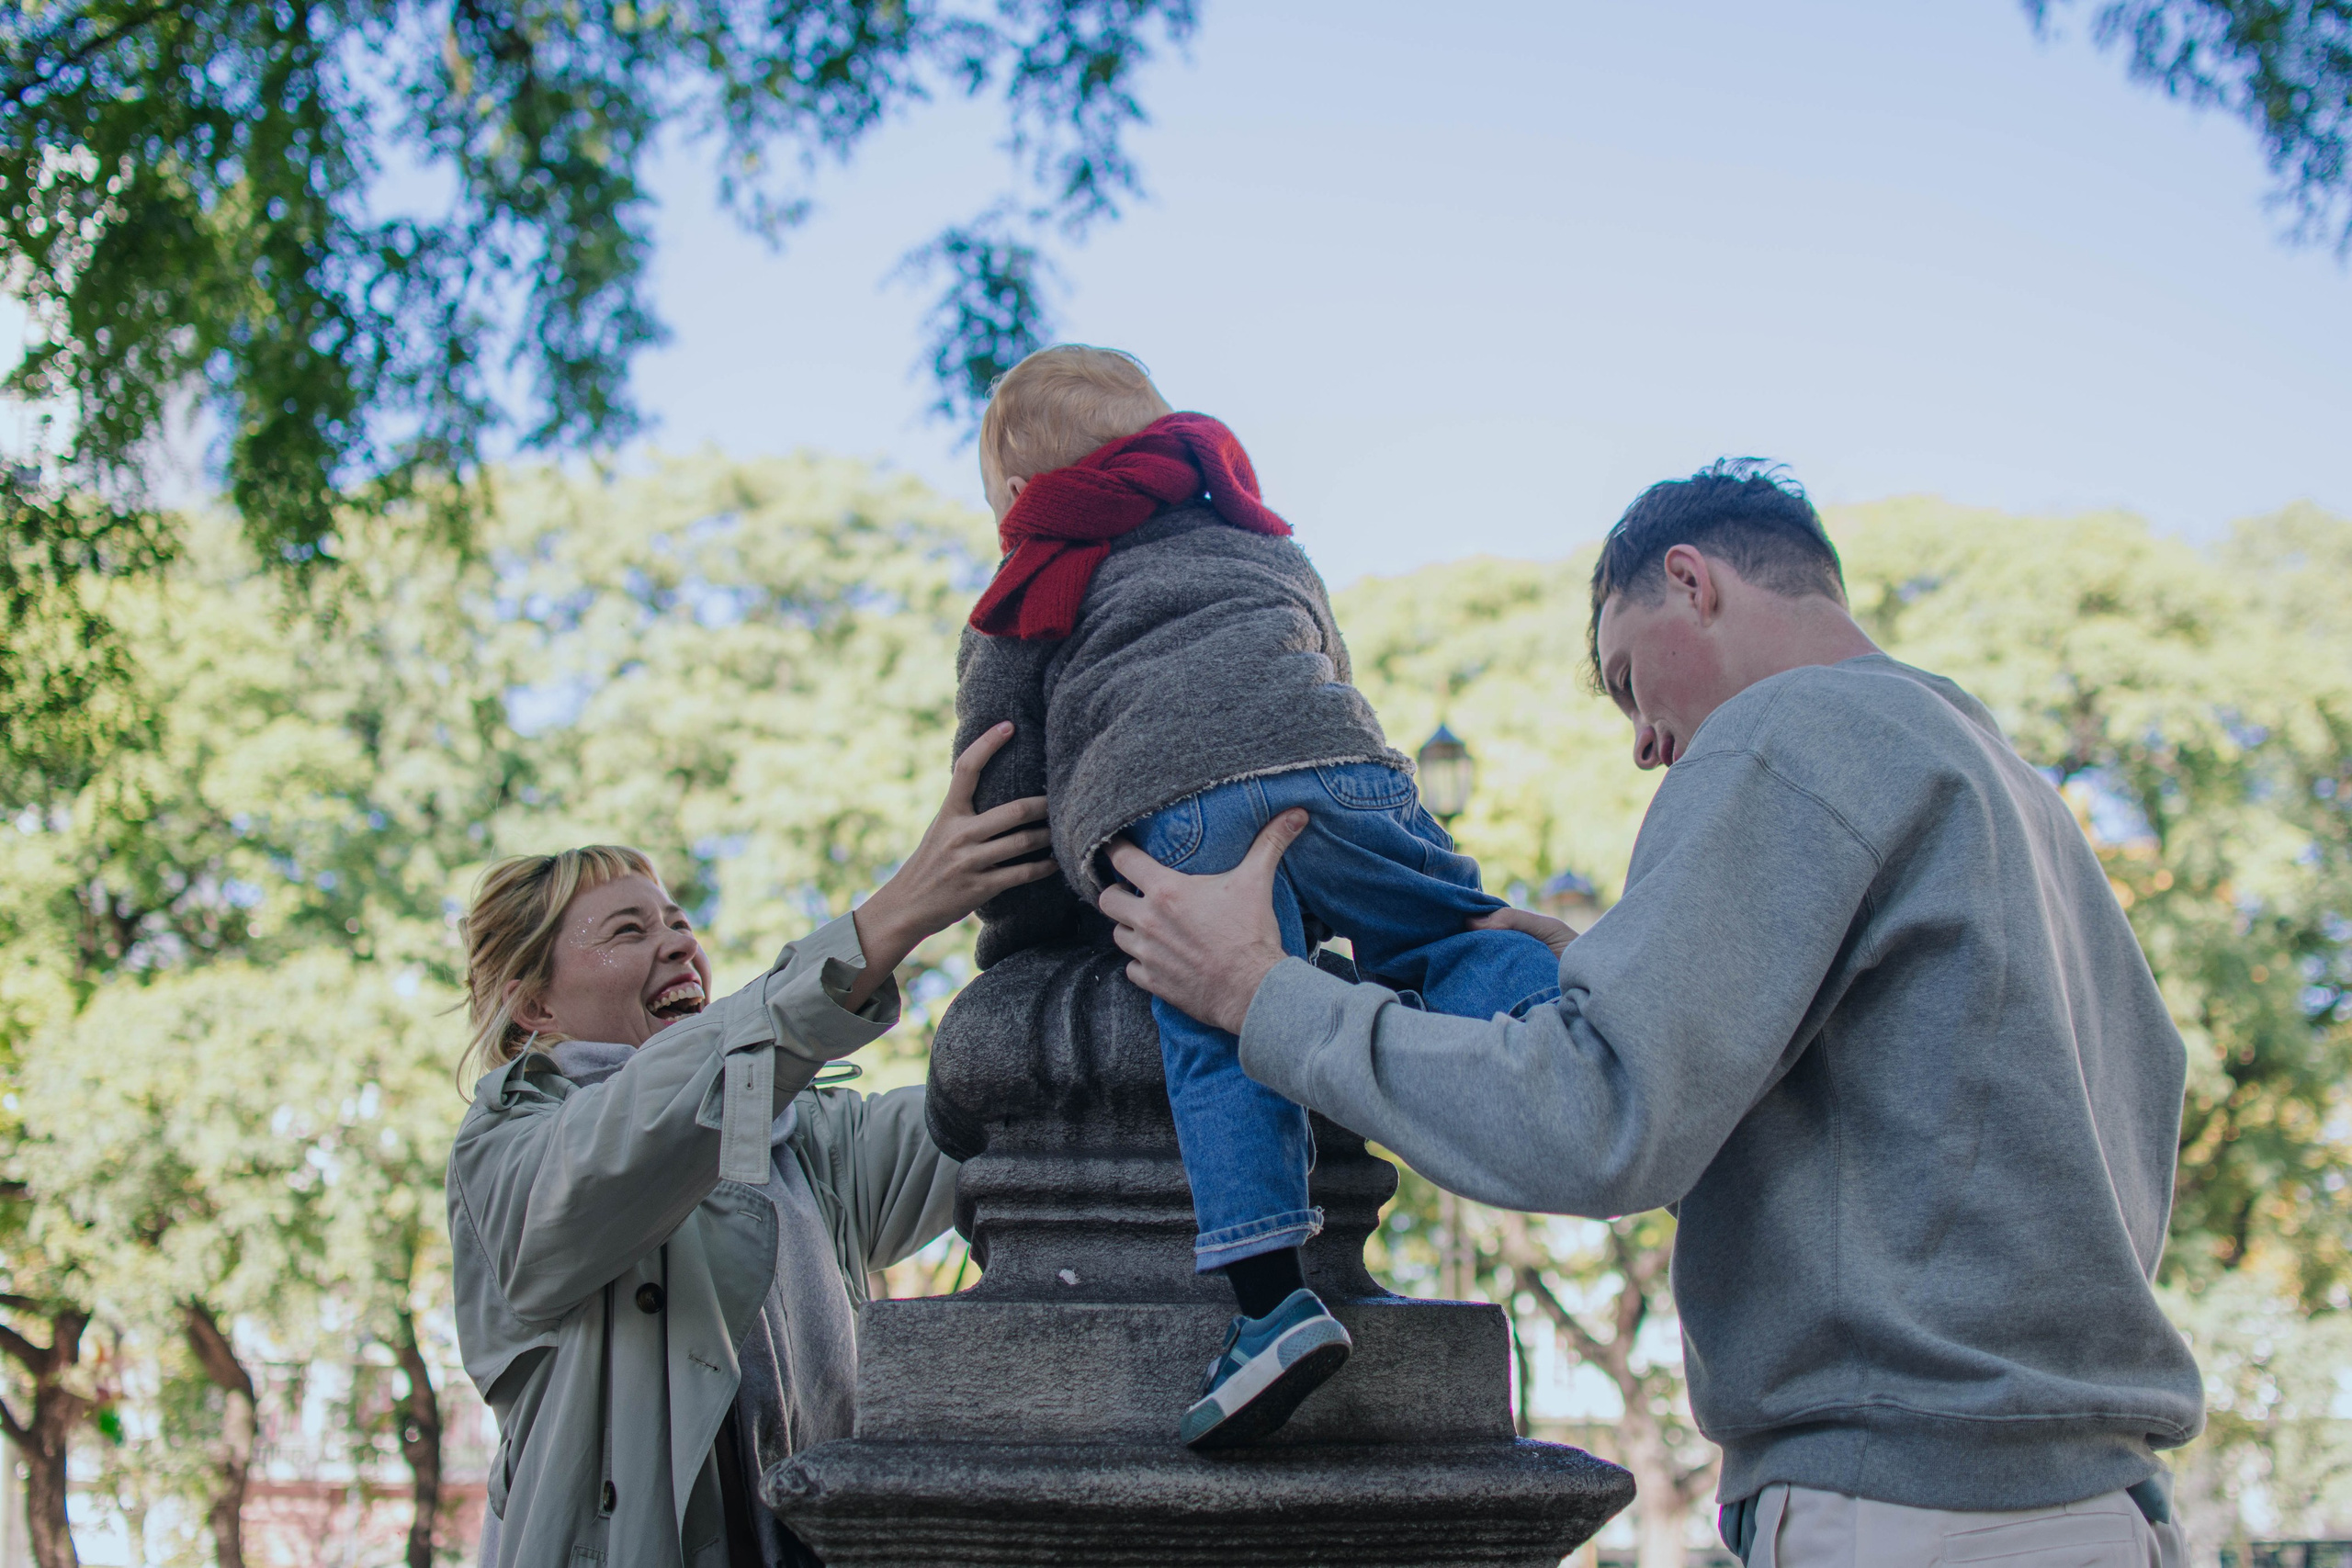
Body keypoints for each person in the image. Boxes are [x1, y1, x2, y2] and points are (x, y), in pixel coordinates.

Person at [1099, 460, 2203, 1566]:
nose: (1642, 745)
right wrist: (1622, 975)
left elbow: (1597, 1122)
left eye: (1628, 681)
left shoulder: (1789, 732)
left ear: (1690, 582)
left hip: (1913, 1512)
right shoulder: (2007, 790)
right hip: (2094, 1504)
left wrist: (1260, 994)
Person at [955, 344, 1561, 1449]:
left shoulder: (1032, 575)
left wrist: (1021, 942)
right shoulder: (1257, 537)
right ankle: (1557, 1021)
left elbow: (1007, 778)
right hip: (1345, 772)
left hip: (1184, 805)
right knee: (1451, 931)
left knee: (1220, 1024)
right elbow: (1323, 657)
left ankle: (1272, 1304)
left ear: (1018, 490)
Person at [450, 725, 1052, 1568]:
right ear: (534, 1008)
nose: (678, 943)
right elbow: (642, 1131)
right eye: (626, 931)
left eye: (677, 921)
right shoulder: (508, 1151)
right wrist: (901, 908)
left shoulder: (806, 1139)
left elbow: (1001, 1114)